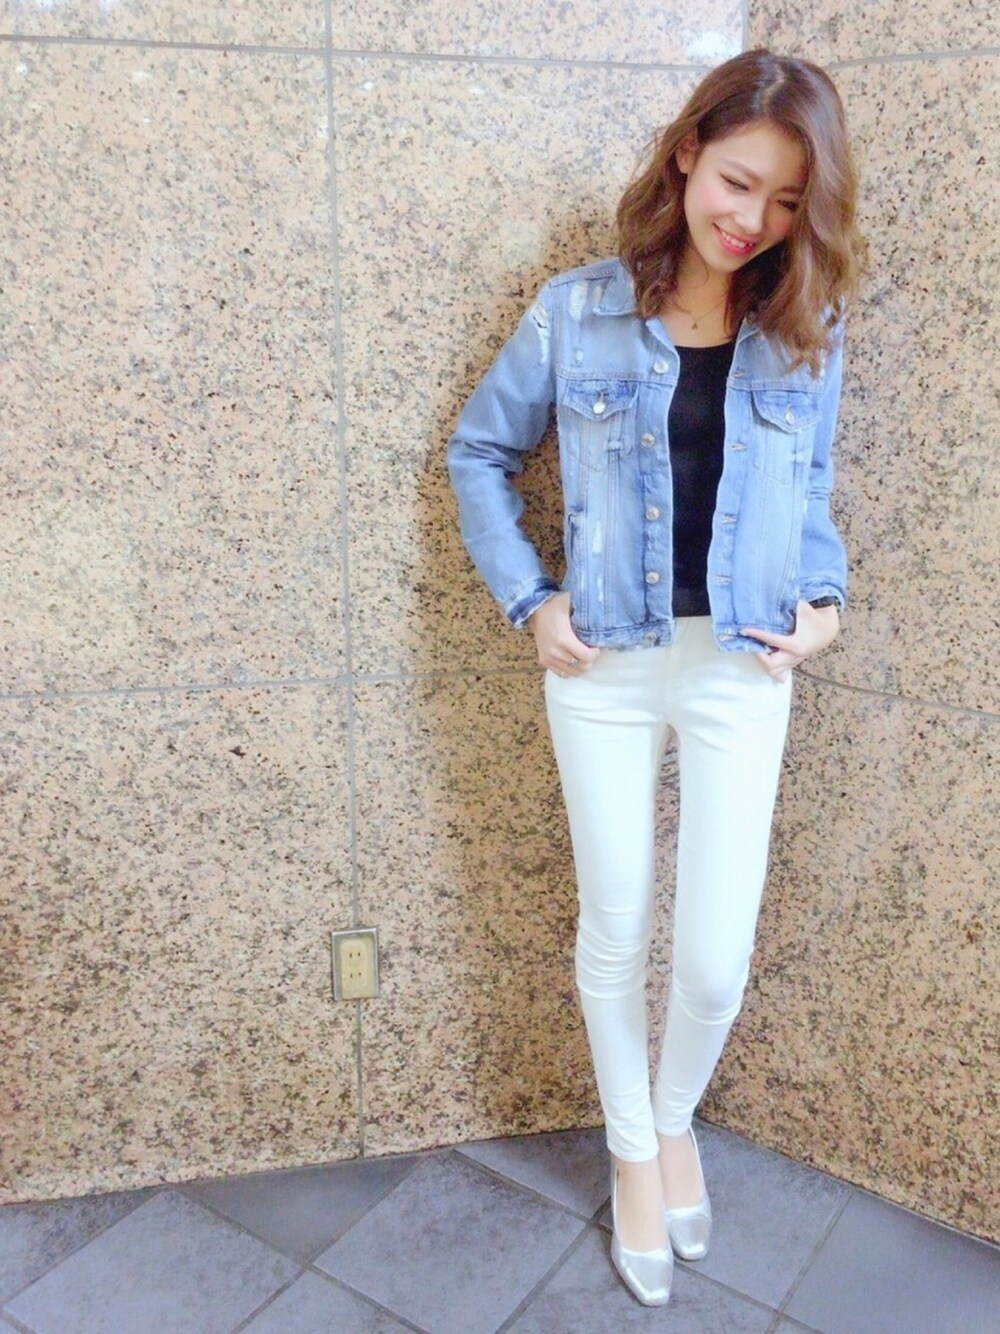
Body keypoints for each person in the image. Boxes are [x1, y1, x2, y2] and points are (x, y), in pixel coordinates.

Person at [447, 49, 864, 1307]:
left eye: (785, 201)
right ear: (686, 154)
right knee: (617, 917)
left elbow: (811, 489)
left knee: (715, 958)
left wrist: (826, 603)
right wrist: (530, 598)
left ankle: (672, 1114)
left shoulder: (804, 328)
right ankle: (635, 1150)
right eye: (738, 181)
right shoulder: (574, 310)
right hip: (605, 661)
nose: (753, 220)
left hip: (743, 663)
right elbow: (478, 451)